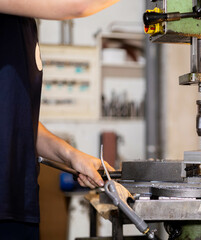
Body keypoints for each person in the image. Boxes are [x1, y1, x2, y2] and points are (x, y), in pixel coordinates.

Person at [0, 1, 122, 238]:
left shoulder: (19, 24)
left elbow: (18, 122)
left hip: (16, 203)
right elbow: (76, 5)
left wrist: (70, 156)